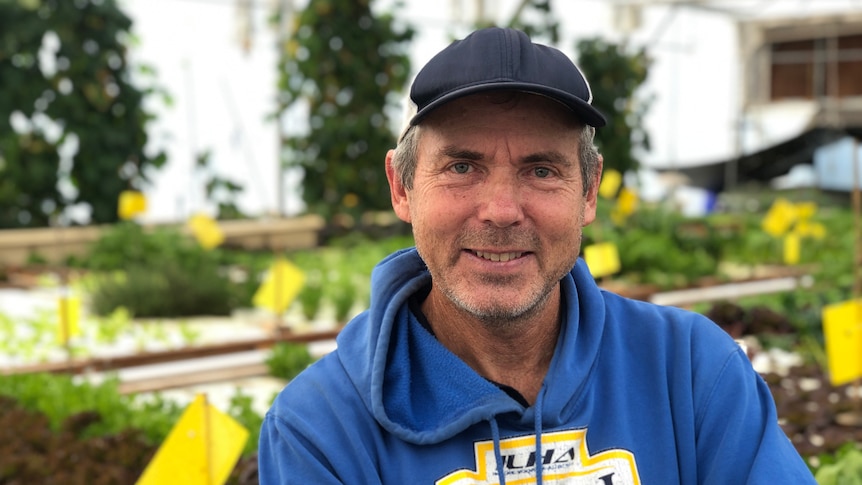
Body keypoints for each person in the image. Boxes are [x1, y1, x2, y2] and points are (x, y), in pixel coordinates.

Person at [258, 27, 816, 484]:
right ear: (402, 187)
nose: (501, 211)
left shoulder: (692, 372)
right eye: (461, 167)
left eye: (541, 170)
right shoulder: (321, 428)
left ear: (589, 191)